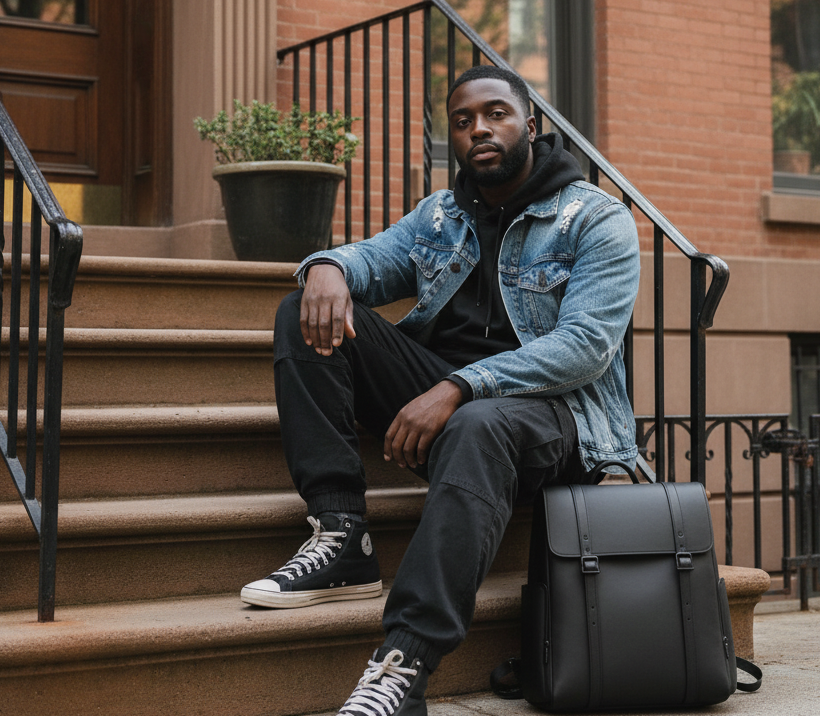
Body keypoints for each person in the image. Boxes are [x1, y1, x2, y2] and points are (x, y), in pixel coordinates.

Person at [241, 64, 641, 716]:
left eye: (495, 113)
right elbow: (376, 257)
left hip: (558, 423)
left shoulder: (593, 220)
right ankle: (343, 533)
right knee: (303, 312)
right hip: (448, 405)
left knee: (479, 422)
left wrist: (461, 385)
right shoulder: (442, 214)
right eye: (462, 120)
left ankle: (404, 663)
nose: (478, 127)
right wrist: (327, 267)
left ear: (531, 127)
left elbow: (584, 349)